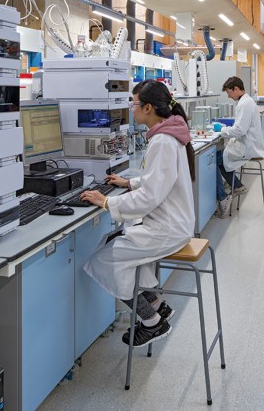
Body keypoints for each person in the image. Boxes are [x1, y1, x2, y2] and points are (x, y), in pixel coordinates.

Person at [80, 80, 195, 347]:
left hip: (168, 229)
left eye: (133, 105)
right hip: (173, 223)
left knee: (104, 260)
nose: (131, 110)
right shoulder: (169, 133)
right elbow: (160, 180)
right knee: (117, 244)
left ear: (148, 108)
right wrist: (129, 182)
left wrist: (107, 203)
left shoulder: (163, 141)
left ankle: (152, 322)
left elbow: (150, 198)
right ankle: (157, 305)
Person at [213, 76, 264, 218]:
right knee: (219, 158)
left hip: (247, 147)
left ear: (236, 88)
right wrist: (227, 129)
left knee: (213, 160)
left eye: (229, 93)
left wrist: (221, 131)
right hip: (246, 144)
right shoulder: (245, 101)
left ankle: (223, 198)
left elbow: (240, 131)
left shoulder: (245, 103)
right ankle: (236, 186)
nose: (229, 97)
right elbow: (240, 127)